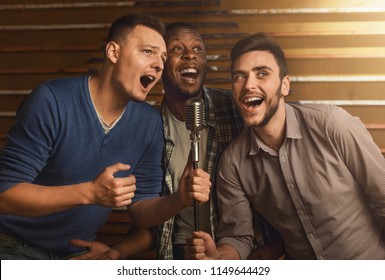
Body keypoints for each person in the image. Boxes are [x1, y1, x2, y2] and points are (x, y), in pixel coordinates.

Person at [0, 13, 211, 260]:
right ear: (113, 52)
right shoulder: (51, 100)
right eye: (148, 52)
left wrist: (179, 199)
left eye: (162, 57)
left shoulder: (149, 122)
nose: (159, 64)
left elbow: (141, 211)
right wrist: (89, 192)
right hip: (11, 244)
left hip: (77, 255)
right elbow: (5, 195)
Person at [69, 23, 283, 260]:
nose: (190, 55)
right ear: (160, 66)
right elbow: (151, 222)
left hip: (251, 250)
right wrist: (117, 252)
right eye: (177, 49)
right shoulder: (149, 128)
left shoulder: (238, 108)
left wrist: (275, 248)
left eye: (198, 49)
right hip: (180, 251)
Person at [185, 32, 385, 260]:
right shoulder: (232, 163)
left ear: (284, 85)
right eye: (240, 76)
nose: (249, 84)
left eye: (262, 74)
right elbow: (238, 237)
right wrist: (218, 257)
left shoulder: (333, 125)